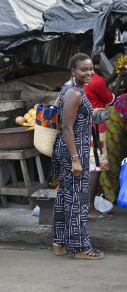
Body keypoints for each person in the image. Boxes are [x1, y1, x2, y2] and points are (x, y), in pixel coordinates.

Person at [51, 53, 104, 259]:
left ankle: (60, 243)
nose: (89, 72)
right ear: (73, 71)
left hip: (68, 149)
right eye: (84, 69)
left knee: (65, 197)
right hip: (74, 151)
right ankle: (80, 247)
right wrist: (75, 159)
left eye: (91, 69)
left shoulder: (70, 88)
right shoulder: (75, 93)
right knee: (78, 201)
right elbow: (67, 127)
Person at [83, 54, 126, 220]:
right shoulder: (97, 81)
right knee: (96, 168)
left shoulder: (79, 79)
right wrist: (120, 77)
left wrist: (116, 75)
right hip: (96, 128)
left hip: (84, 127)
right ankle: (89, 209)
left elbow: (99, 87)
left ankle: (86, 205)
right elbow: (110, 100)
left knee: (90, 167)